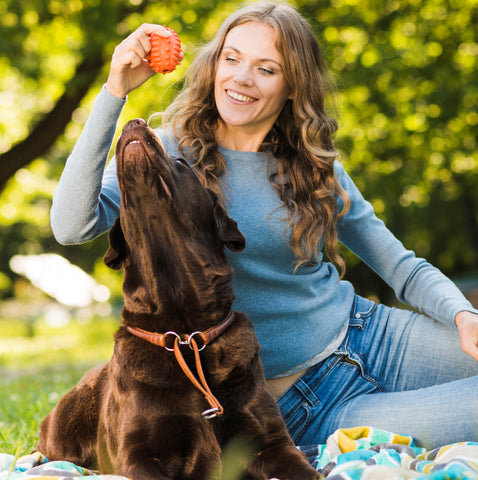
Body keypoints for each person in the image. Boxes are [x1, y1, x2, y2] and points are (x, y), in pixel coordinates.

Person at [50, 1, 478, 450]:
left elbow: (400, 266)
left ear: (293, 85)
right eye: (231, 58)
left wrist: (461, 314)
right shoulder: (168, 158)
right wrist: (114, 90)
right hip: (304, 404)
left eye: (266, 69)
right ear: (215, 63)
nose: (241, 78)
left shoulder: (312, 163)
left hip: (372, 336)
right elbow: (71, 226)